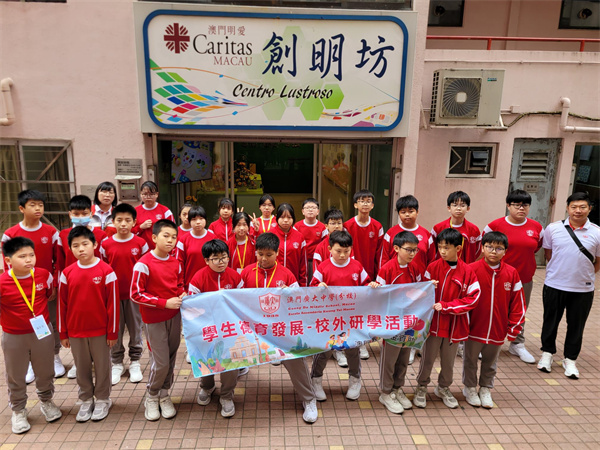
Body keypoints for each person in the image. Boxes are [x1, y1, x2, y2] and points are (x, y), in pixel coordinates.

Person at [240, 232, 318, 423]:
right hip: (254, 329)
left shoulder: (286, 274)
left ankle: (309, 399)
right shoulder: (246, 272)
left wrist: (290, 293)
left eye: (269, 255)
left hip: (280, 329)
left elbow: (298, 301)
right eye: (260, 254)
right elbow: (236, 299)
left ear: (277, 253)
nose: (263, 259)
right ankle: (225, 394)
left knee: (296, 358)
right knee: (230, 351)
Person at [1, 237, 62, 434]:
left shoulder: (44, 275)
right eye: (22, 256)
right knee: (16, 374)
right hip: (14, 336)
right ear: (8, 260)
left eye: (31, 255)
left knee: (45, 370)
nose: (29, 260)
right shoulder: (2, 282)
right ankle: (18, 410)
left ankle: (47, 401)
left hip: (42, 333)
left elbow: (50, 295)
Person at [413, 228, 480, 409]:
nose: (442, 251)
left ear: (458, 248)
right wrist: (428, 288)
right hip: (433, 324)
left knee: (448, 362)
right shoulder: (432, 268)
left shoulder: (467, 271)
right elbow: (420, 294)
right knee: (427, 359)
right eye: (440, 247)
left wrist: (448, 306)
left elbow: (473, 298)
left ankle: (443, 387)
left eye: (446, 248)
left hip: (454, 326)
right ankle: (421, 387)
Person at [1, 189, 64, 381]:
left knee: (51, 322)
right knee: (25, 323)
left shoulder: (51, 232)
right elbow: (7, 265)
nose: (38, 208)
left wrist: (54, 284)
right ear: (22, 208)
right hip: (21, 289)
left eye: (41, 205)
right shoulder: (10, 234)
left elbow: (58, 260)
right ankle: (29, 362)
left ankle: (54, 356)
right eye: (33, 205)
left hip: (45, 286)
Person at [58, 227, 118, 422]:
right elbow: (62, 305)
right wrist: (63, 333)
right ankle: (85, 399)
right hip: (76, 331)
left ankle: (102, 399)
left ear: (95, 245)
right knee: (81, 367)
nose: (81, 249)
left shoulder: (106, 271)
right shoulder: (67, 273)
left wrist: (112, 332)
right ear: (70, 249)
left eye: (85, 244)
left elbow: (113, 305)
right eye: (75, 246)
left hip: (100, 331)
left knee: (102, 366)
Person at [537, 192, 600, 379]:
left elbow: (598, 261)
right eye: (574, 207)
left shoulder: (597, 232)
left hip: (582, 289)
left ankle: (570, 359)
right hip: (554, 285)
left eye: (582, 207)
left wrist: (584, 275)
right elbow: (548, 254)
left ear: (589, 209)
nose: (578, 210)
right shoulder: (553, 228)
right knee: (550, 321)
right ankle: (547, 353)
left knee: (576, 325)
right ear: (567, 208)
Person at [310, 230, 377, 401]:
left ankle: (355, 380)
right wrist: (319, 287)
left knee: (353, 349)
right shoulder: (323, 267)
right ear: (330, 249)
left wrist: (371, 285)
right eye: (338, 251)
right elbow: (312, 288)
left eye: (346, 251)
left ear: (351, 250)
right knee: (324, 350)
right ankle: (315, 380)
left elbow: (365, 285)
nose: (342, 255)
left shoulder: (357, 267)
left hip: (350, 319)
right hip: (329, 319)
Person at [463, 232, 525, 409]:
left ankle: (485, 388)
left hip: (498, 329)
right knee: (470, 360)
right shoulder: (471, 269)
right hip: (474, 328)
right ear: (482, 248)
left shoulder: (512, 273)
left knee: (490, 362)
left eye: (499, 248)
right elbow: (462, 298)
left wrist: (514, 328)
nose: (493, 251)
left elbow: (518, 304)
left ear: (505, 251)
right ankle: (470, 388)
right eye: (489, 247)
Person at [130, 219, 185, 421]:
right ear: (154, 237)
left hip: (174, 317)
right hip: (153, 319)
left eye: (174, 237)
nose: (170, 240)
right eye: (166, 236)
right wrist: (164, 303)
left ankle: (164, 394)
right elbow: (136, 294)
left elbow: (179, 285)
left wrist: (182, 294)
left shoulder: (175, 263)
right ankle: (152, 395)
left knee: (170, 359)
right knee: (160, 362)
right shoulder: (143, 264)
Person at [483, 189, 543, 364]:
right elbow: (484, 247)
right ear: (508, 206)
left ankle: (517, 343)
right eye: (516, 204)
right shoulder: (494, 226)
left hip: (524, 278)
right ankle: (486, 342)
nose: (521, 208)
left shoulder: (537, 227)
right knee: (492, 309)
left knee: (519, 310)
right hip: (497, 277)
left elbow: (537, 247)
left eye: (525, 205)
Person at [188, 240, 243, 417]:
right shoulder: (198, 278)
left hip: (229, 328)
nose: (221, 262)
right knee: (206, 358)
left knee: (230, 361)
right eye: (216, 258)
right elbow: (192, 307)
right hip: (207, 328)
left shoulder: (235, 277)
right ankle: (207, 386)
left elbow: (242, 302)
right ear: (206, 260)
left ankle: (226, 395)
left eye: (224, 257)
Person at [100, 203, 149, 385]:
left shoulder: (141, 243)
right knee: (116, 329)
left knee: (136, 329)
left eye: (128, 220)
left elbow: (146, 269)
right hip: (113, 296)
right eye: (119, 220)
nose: (123, 224)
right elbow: (103, 268)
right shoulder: (105, 244)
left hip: (134, 295)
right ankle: (117, 362)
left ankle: (135, 361)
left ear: (134, 222)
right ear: (113, 222)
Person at [375, 231, 423, 414]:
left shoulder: (415, 268)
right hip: (392, 323)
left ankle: (397, 388)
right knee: (390, 359)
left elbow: (419, 291)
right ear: (396, 248)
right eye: (408, 250)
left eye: (415, 250)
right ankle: (386, 392)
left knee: (404, 357)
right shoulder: (387, 269)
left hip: (409, 322)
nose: (412, 253)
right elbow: (379, 297)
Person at [380, 195, 434, 277]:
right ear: (398, 213)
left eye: (411, 211)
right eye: (403, 212)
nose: (407, 214)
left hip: (420, 281)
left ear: (417, 212)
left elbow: (432, 261)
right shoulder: (390, 233)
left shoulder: (426, 234)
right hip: (395, 279)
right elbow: (384, 259)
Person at [57, 195, 107, 275]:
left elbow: (105, 261)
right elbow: (60, 262)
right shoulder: (63, 235)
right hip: (71, 277)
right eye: (76, 214)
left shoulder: (101, 235)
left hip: (95, 277)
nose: (80, 217)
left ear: (91, 214)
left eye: (84, 214)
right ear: (70, 214)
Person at [431, 191, 481, 263]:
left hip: (466, 267)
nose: (458, 208)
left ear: (468, 209)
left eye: (462, 205)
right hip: (443, 267)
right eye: (455, 205)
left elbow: (478, 252)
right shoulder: (438, 228)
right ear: (449, 208)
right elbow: (432, 251)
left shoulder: (474, 230)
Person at [176, 206, 215, 287]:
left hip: (210, 283)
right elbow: (179, 264)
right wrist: (181, 286)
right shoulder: (183, 240)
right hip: (190, 283)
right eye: (194, 219)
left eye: (201, 219)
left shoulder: (213, 238)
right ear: (189, 221)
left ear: (206, 220)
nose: (198, 222)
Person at [271, 203, 308, 286]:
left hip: (293, 283)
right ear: (276, 217)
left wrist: (302, 286)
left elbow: (303, 264)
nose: (286, 220)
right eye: (282, 217)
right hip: (273, 282)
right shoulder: (270, 235)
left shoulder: (299, 237)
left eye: (289, 217)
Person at [134, 181, 174, 250]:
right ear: (141, 194)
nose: (148, 197)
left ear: (157, 194)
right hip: (140, 250)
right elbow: (129, 232)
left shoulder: (165, 211)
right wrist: (140, 227)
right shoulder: (135, 211)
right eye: (145, 194)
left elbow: (172, 231)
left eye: (151, 194)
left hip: (160, 250)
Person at [295, 198, 327, 282]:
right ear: (303, 211)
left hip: (316, 260)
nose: (310, 210)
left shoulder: (322, 227)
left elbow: (325, 245)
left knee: (315, 282)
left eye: (313, 207)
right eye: (307, 207)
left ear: (318, 211)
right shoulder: (297, 226)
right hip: (301, 261)